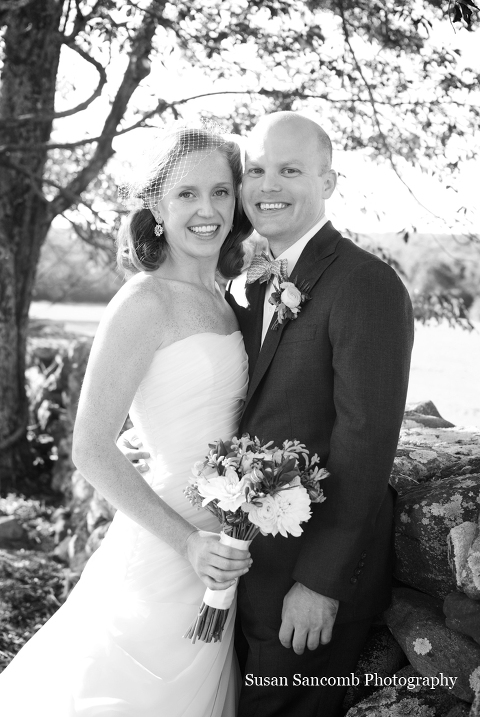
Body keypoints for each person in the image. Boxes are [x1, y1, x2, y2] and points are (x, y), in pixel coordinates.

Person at [0, 125, 253, 716]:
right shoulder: (143, 302)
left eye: (220, 192)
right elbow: (90, 448)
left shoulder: (227, 298)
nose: (207, 210)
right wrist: (188, 543)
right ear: (157, 209)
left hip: (223, 544)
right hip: (168, 547)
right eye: (187, 194)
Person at [228, 111, 414, 717]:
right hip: (244, 563)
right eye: (256, 170)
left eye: (289, 170)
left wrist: (320, 583)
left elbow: (366, 442)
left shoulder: (365, 283)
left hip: (306, 579)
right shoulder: (249, 286)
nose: (267, 186)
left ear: (328, 182)